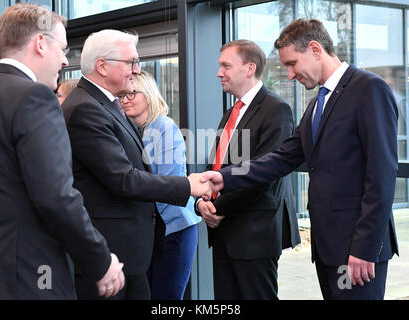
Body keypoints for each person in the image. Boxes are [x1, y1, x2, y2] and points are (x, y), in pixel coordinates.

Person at [202, 19, 399, 300]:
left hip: (356, 250)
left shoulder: (369, 89)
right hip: (329, 247)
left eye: (292, 64)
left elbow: (381, 175)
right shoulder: (318, 102)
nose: (290, 75)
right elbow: (283, 157)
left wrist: (364, 249)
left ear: (316, 49)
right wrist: (225, 177)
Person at [0, 3, 124, 299]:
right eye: (62, 49)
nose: (63, 60)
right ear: (39, 43)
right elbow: (55, 196)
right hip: (27, 273)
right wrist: (100, 261)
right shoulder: (35, 97)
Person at [61, 29, 211, 300]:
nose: (137, 69)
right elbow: (124, 179)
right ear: (103, 66)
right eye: (131, 62)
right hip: (113, 252)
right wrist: (188, 185)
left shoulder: (101, 105)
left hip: (128, 251)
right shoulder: (87, 108)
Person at [195, 40, 300, 300]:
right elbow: (216, 166)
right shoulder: (231, 112)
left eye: (226, 66)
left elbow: (263, 177)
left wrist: (217, 209)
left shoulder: (277, 110)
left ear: (250, 68)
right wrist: (202, 202)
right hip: (222, 231)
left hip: (255, 235)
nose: (219, 73)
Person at [121, 70, 202, 300]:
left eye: (132, 93)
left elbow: (170, 182)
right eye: (122, 95)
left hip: (174, 230)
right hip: (149, 233)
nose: (125, 99)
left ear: (148, 94)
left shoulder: (163, 127)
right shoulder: (133, 130)